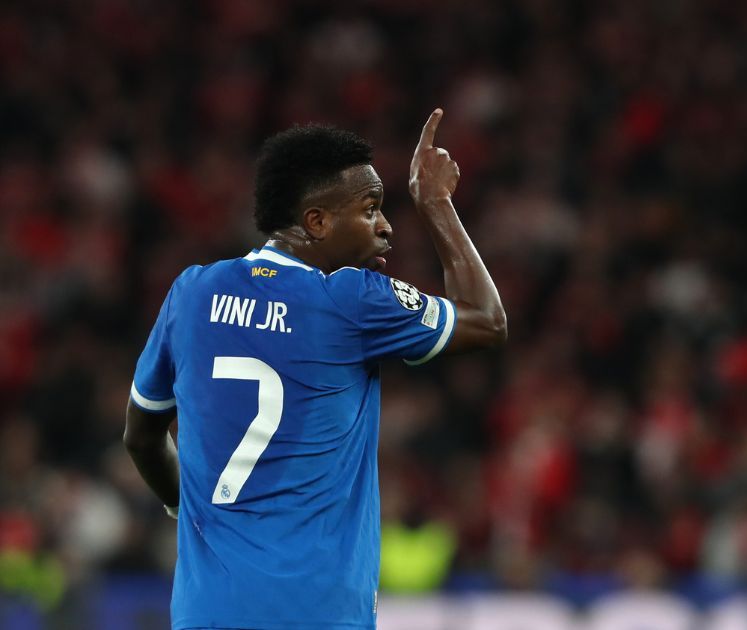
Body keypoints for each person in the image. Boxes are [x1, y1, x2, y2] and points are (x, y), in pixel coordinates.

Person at [123, 109, 506, 629]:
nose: (386, 226)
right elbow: (486, 319)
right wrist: (435, 202)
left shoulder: (192, 292)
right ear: (317, 222)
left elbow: (141, 437)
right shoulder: (350, 299)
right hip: (319, 613)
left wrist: (188, 510)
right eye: (370, 209)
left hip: (207, 613)